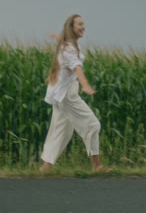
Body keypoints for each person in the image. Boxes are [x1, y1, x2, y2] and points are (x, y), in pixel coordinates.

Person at [39, 14, 113, 173]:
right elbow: (76, 67)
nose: (83, 27)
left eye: (83, 24)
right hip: (66, 95)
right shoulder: (69, 48)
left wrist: (56, 37)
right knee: (93, 125)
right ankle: (97, 166)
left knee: (60, 132)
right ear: (71, 28)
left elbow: (67, 52)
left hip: (61, 95)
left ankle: (44, 169)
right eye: (79, 24)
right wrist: (85, 85)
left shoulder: (67, 45)